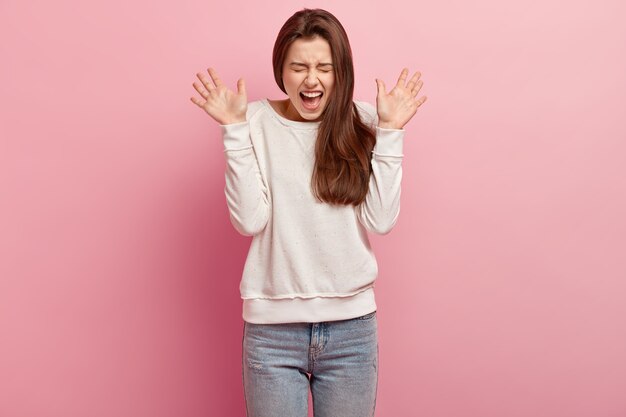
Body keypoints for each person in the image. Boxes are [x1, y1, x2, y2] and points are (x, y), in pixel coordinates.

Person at [190, 7, 426, 417]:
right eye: (298, 67)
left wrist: (391, 135)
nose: (311, 80)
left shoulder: (365, 121)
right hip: (272, 334)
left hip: (352, 332)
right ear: (281, 70)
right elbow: (249, 220)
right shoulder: (255, 121)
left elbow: (381, 221)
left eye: (324, 68)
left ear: (342, 72)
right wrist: (233, 131)